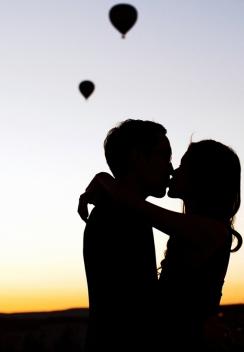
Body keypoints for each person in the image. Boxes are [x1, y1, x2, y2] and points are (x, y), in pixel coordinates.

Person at [81, 139, 242, 351]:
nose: (174, 170)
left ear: (203, 175)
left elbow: (137, 206)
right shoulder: (186, 233)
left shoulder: (213, 231)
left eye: (183, 164)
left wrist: (104, 180)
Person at [81, 119, 172, 352]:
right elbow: (137, 309)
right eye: (166, 156)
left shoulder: (123, 212)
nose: (170, 169)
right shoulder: (121, 217)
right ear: (138, 157)